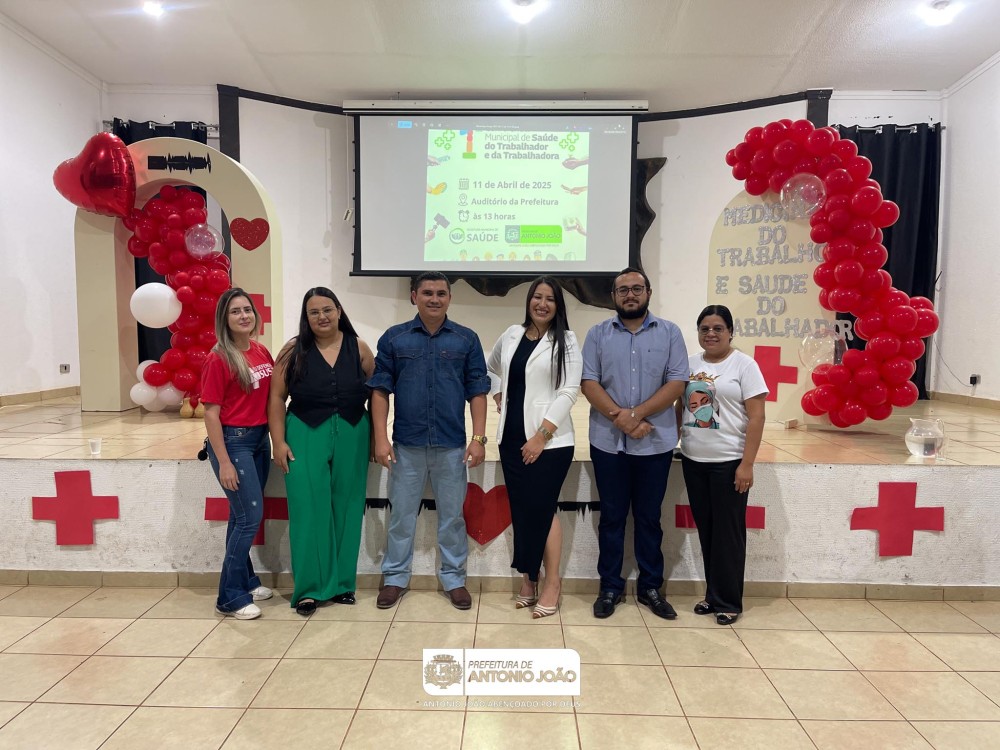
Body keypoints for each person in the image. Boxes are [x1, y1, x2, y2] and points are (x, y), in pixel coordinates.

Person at [368, 272, 491, 610]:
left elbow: (478, 392)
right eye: (427, 293)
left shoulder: (466, 339)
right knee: (401, 516)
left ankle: (454, 579)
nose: (434, 299)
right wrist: (380, 439)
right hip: (406, 446)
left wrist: (479, 439)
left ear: (449, 298)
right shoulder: (395, 338)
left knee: (452, 517)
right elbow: (380, 391)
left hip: (452, 446)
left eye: (440, 293)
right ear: (414, 297)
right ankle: (395, 577)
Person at [581, 267, 688, 620]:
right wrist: (621, 418)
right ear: (613, 296)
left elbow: (676, 383)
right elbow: (589, 382)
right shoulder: (597, 334)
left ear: (648, 293)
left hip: (654, 443)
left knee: (649, 518)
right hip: (608, 444)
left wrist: (636, 415)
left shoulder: (670, 333)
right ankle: (610, 587)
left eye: (636, 289)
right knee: (611, 518)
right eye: (623, 289)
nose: (630, 294)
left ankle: (650, 587)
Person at [268, 288, 374, 617]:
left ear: (339, 311)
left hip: (353, 431)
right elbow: (276, 398)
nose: (322, 316)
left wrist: (377, 437)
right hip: (304, 432)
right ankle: (309, 589)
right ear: (306, 317)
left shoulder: (359, 348)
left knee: (348, 506)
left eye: (327, 309)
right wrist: (278, 441)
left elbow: (377, 394)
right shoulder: (292, 351)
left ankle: (342, 584)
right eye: (313, 312)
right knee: (308, 508)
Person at [487, 277, 582, 619]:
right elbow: (491, 367)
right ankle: (529, 580)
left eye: (550, 299)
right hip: (512, 439)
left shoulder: (566, 340)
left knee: (541, 510)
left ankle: (552, 582)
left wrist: (542, 436)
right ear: (528, 301)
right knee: (523, 510)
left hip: (551, 442)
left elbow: (569, 391)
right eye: (537, 297)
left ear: (558, 306)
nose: (542, 304)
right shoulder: (512, 334)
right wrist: (499, 392)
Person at [678, 305, 767, 625]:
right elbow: (679, 406)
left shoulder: (745, 365)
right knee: (707, 531)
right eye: (704, 329)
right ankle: (713, 595)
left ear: (730, 332)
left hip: (729, 463)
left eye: (718, 328)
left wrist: (747, 464)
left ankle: (729, 601)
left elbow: (757, 417)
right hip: (693, 460)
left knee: (728, 534)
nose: (711, 334)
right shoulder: (689, 364)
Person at [201, 288, 274, 620]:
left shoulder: (260, 350)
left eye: (247, 310)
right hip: (235, 442)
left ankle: (247, 580)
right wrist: (225, 462)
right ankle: (229, 597)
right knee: (248, 519)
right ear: (224, 319)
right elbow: (211, 413)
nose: (244, 316)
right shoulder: (218, 359)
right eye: (235, 311)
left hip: (260, 439)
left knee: (240, 516)